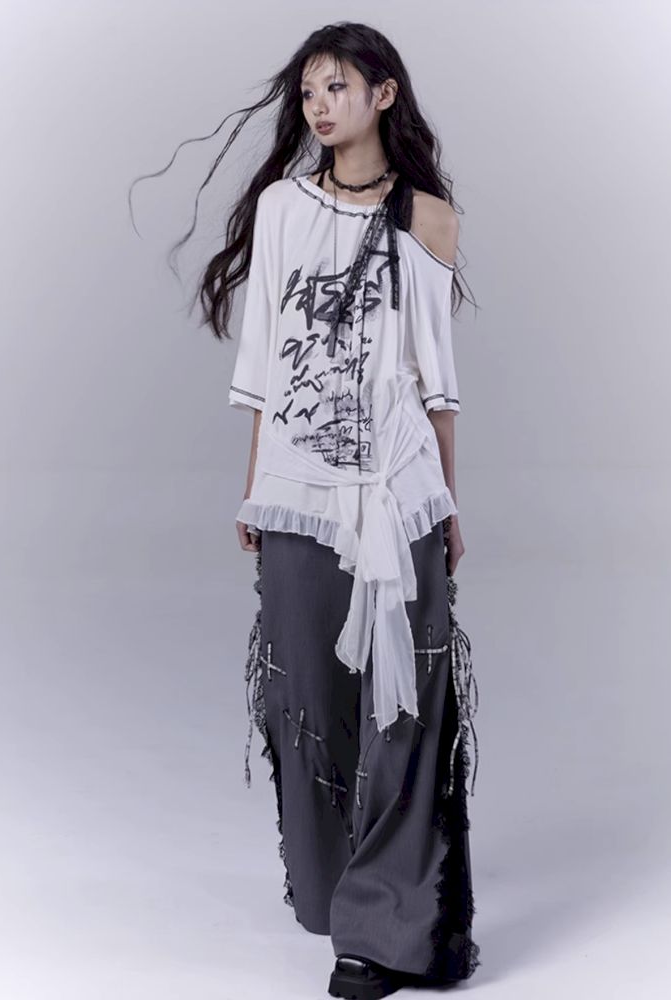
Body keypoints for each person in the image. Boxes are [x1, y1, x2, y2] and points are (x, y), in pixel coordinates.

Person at [131, 20, 481, 999]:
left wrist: (450, 506)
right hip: (297, 495)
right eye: (308, 93)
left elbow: (437, 380)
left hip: (399, 494)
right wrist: (258, 482)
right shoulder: (283, 208)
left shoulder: (428, 217)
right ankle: (345, 894)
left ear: (383, 94)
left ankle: (382, 931)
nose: (318, 107)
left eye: (337, 87)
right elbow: (263, 361)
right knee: (310, 705)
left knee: (403, 709)